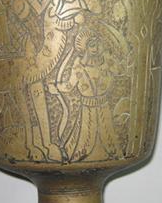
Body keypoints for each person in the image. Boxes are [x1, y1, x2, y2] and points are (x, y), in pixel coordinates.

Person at [48, 27, 124, 162]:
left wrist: (111, 58)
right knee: (85, 139)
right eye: (91, 45)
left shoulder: (106, 62)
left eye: (97, 44)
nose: (96, 48)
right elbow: (69, 85)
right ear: (85, 48)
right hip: (87, 109)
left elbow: (120, 71)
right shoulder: (79, 66)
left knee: (108, 137)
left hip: (103, 107)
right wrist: (57, 88)